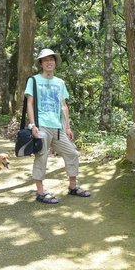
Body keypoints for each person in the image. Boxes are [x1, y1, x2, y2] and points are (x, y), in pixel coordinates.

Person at [24, 48, 91, 204]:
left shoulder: (60, 83)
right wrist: (32, 124)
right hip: (41, 126)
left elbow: (64, 106)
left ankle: (73, 187)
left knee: (72, 153)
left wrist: (67, 127)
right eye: (45, 60)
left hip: (58, 127)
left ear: (55, 62)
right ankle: (40, 192)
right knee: (42, 156)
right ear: (41, 63)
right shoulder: (33, 80)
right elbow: (30, 103)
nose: (49, 62)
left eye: (51, 59)